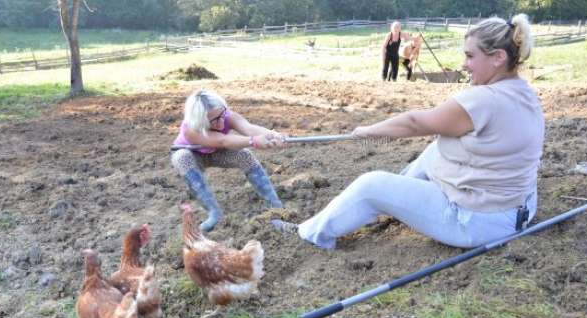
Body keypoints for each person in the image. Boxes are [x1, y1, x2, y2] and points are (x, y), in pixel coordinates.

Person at [273, 14, 543, 250]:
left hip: (476, 222)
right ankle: (395, 202)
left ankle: (310, 235)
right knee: (435, 149)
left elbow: (415, 122)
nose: (464, 64)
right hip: (519, 208)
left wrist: (370, 130)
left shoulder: (485, 100)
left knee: (371, 184)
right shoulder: (524, 92)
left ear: (498, 58)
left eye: (470, 56)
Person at [171, 89, 285, 232]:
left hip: (218, 153)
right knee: (181, 157)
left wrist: (272, 135)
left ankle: (275, 205)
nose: (220, 122)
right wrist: (253, 141)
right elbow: (223, 140)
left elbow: (249, 128)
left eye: (221, 115)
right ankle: (214, 212)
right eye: (213, 121)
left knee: (244, 155)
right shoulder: (190, 129)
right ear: (200, 121)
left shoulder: (226, 116)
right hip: (194, 155)